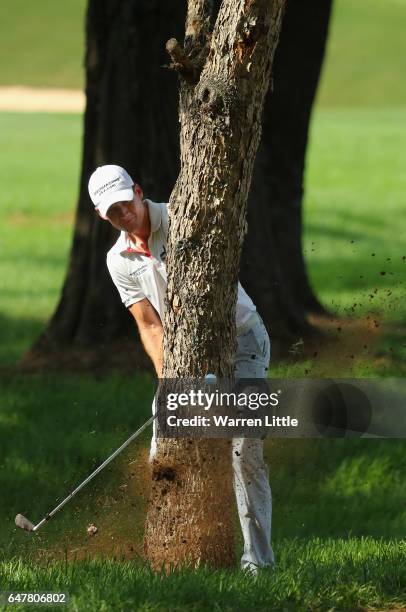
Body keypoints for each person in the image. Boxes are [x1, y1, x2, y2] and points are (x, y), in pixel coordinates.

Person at [88, 164, 274, 573]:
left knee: (244, 450)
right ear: (103, 217)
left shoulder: (180, 218)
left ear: (138, 191)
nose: (124, 215)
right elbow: (150, 324)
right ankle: (171, 555)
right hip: (186, 357)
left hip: (241, 339)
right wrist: (171, 382)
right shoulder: (118, 260)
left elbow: (210, 296)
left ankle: (258, 562)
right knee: (163, 445)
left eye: (125, 203)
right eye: (112, 212)